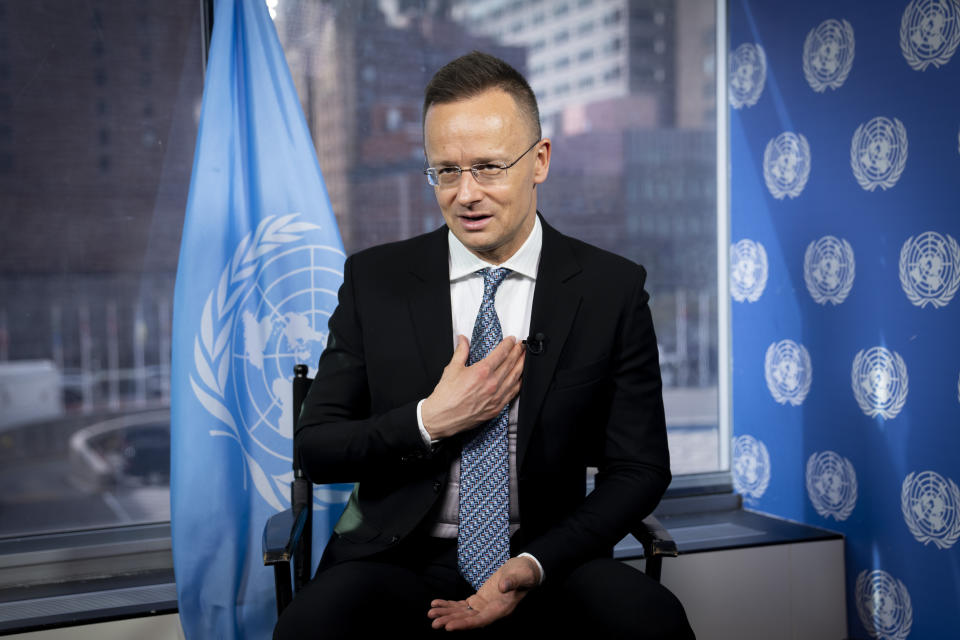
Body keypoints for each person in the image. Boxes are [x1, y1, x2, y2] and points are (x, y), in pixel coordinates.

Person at [274, 51, 694, 639]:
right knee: (309, 630)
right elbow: (317, 449)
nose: (465, 194)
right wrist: (428, 421)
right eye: (445, 170)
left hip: (549, 557)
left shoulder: (610, 289)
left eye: (489, 167)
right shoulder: (376, 281)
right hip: (399, 557)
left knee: (653, 625)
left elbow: (640, 468)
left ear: (539, 160)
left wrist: (534, 563)